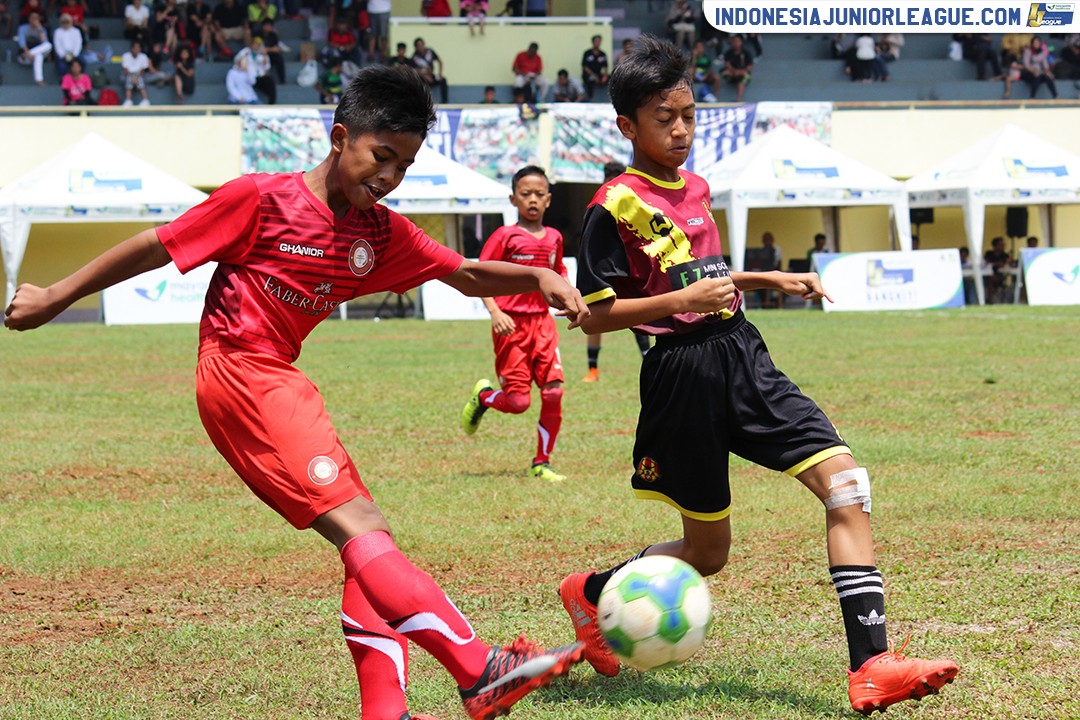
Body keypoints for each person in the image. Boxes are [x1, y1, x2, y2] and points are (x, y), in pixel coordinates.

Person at [4, 65, 587, 720]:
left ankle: (386, 711)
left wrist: (540, 277)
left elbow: (466, 272)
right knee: (365, 532)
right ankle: (479, 668)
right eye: (380, 156)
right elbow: (155, 247)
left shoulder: (379, 233)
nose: (389, 177)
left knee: (368, 545)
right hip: (239, 373)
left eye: (405, 165)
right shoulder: (259, 199)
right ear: (340, 138)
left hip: (278, 377)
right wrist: (55, 296)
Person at [556, 35, 959, 716]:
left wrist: (760, 277)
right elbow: (594, 317)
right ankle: (592, 592)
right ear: (628, 126)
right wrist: (681, 304)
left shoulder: (698, 187)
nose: (681, 129)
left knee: (847, 484)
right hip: (680, 377)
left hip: (744, 353)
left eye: (688, 114)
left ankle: (874, 664)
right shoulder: (611, 207)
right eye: (664, 118)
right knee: (708, 553)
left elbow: (700, 273)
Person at [460, 165, 570, 484]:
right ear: (513, 199)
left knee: (553, 392)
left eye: (539, 194)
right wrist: (496, 312)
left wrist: (567, 296)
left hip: (543, 325)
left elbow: (558, 271)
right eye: (525, 194)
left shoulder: (554, 237)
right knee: (519, 402)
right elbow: (481, 276)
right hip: (511, 326)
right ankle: (483, 397)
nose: (532, 200)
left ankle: (542, 462)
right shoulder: (505, 236)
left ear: (549, 200)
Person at [583, 160, 651, 383]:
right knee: (596, 315)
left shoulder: (627, 198)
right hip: (607, 268)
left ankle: (648, 361)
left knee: (639, 316)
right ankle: (593, 369)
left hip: (624, 267)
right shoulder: (602, 200)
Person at [16, 12, 52, 87]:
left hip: (33, 55)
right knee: (38, 55)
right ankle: (29, 54)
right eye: (32, 18)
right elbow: (21, 42)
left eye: (36, 18)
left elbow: (44, 42)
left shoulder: (42, 29)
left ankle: (39, 80)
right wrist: (27, 53)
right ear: (29, 19)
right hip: (24, 57)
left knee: (47, 47)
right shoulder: (23, 28)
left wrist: (39, 28)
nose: (34, 20)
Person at [412, 37, 448, 105]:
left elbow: (440, 61)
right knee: (419, 84)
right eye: (418, 45)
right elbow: (414, 71)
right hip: (423, 78)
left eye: (421, 44)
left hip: (432, 76)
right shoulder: (414, 57)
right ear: (416, 47)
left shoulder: (430, 51)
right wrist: (424, 76)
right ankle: (424, 103)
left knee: (443, 80)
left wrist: (440, 74)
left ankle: (444, 102)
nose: (421, 47)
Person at [722, 33, 753, 101]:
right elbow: (727, 65)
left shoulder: (746, 53)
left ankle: (739, 100)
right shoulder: (728, 53)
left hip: (743, 73)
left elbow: (750, 66)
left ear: (741, 42)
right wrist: (735, 71)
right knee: (725, 73)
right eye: (734, 41)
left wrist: (741, 72)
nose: (736, 43)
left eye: (738, 41)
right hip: (732, 73)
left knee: (743, 79)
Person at [52, 12, 83, 79]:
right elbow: (57, 45)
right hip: (62, 54)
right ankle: (63, 80)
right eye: (63, 22)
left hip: (74, 54)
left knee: (83, 61)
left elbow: (78, 44)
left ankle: (80, 79)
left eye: (67, 22)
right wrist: (64, 55)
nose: (65, 24)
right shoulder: (57, 32)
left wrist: (74, 54)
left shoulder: (76, 31)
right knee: (62, 65)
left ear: (70, 22)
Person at [121, 39, 151, 105]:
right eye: (135, 47)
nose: (137, 49)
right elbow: (125, 70)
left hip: (139, 75)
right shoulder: (125, 56)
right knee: (128, 79)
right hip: (129, 74)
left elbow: (143, 71)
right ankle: (128, 100)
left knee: (140, 80)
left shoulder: (143, 56)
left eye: (138, 47)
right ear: (132, 48)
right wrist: (132, 77)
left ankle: (145, 100)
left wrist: (137, 77)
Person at [983, 236, 1013, 303]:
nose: (1003, 246)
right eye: (1000, 245)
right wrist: (997, 264)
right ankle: (990, 300)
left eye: (1003, 245)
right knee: (990, 280)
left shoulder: (1005, 255)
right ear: (995, 245)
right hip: (988, 275)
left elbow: (1007, 264)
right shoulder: (989, 253)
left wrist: (1008, 262)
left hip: (1001, 276)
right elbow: (985, 263)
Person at [581, 34, 608, 101]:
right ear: (592, 42)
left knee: (612, 78)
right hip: (589, 74)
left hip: (599, 74)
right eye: (596, 41)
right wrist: (593, 75)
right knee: (591, 79)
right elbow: (585, 67)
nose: (597, 43)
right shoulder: (587, 53)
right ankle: (591, 98)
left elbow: (605, 66)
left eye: (599, 41)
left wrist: (605, 75)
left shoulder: (602, 54)